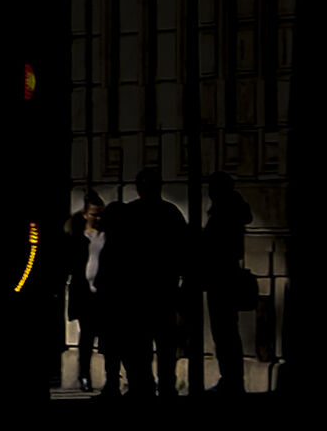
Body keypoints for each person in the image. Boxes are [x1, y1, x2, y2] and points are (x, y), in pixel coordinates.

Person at [98, 169, 192, 398]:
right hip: (159, 289)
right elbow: (184, 252)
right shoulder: (169, 213)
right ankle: (161, 385)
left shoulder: (134, 213)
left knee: (144, 343)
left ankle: (147, 385)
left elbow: (122, 253)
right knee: (160, 343)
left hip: (141, 291)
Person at [198, 172, 255, 394]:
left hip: (221, 278)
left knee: (224, 331)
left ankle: (230, 379)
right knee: (227, 331)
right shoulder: (233, 211)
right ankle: (232, 378)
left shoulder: (224, 213)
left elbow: (214, 246)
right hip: (224, 276)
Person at [60, 191, 110, 394]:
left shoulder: (106, 236)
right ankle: (84, 375)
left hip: (104, 292)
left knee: (107, 335)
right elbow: (68, 264)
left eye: (100, 215)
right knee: (87, 336)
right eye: (94, 214)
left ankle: (111, 376)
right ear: (85, 214)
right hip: (84, 293)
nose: (97, 219)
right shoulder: (76, 237)